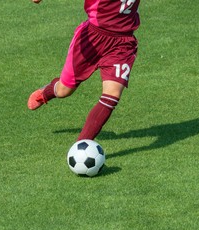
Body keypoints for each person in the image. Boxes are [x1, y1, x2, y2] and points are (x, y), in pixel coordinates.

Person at [28, 0, 140, 141]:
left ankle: (81, 146)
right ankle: (47, 92)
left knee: (112, 95)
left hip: (122, 43)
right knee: (64, 91)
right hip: (91, 38)